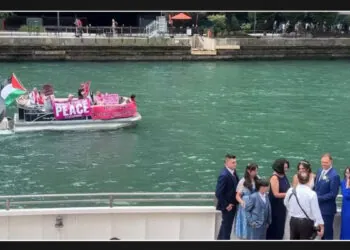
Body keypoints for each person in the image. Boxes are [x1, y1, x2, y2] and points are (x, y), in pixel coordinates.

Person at [284, 171, 324, 240]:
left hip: (293, 220)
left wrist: (293, 211)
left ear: (298, 179)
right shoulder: (311, 193)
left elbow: (285, 203)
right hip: (306, 223)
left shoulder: (290, 191)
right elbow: (316, 211)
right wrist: (321, 226)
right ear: (308, 179)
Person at [284, 160, 316, 239]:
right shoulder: (296, 177)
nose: (301, 170)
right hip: (298, 206)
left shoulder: (314, 176)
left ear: (308, 169)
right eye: (299, 169)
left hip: (309, 206)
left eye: (303, 168)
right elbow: (294, 191)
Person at [314, 153, 340, 240]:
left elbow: (333, 194)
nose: (323, 164)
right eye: (322, 162)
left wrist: (318, 198)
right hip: (317, 207)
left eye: (326, 162)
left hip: (327, 209)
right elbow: (316, 186)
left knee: (327, 232)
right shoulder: (319, 170)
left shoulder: (334, 175)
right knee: (319, 231)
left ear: (331, 161)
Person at [215, 154, 239, 240]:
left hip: (233, 205)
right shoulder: (224, 175)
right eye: (233, 162)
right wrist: (226, 205)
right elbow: (218, 193)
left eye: (235, 162)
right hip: (228, 206)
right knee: (227, 229)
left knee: (225, 227)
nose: (235, 164)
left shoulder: (233, 172)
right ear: (226, 163)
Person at [266, 158, 290, 240]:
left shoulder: (284, 175)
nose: (286, 169)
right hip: (275, 207)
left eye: (287, 167)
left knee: (280, 228)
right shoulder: (274, 177)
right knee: (275, 229)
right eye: (285, 168)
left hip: (282, 206)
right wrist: (289, 194)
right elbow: (276, 194)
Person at [234, 163, 259, 239]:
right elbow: (237, 195)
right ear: (249, 171)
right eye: (254, 171)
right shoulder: (243, 181)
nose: (256, 172)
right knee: (246, 224)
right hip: (246, 205)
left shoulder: (257, 179)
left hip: (255, 205)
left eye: (256, 171)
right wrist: (242, 202)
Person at [340, 166, 350, 240]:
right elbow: (345, 194)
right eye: (346, 173)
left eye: (349, 173)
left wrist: (348, 185)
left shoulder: (346, 183)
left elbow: (346, 195)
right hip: (345, 209)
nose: (348, 175)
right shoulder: (343, 182)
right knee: (344, 227)